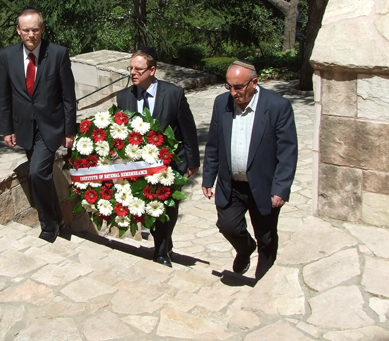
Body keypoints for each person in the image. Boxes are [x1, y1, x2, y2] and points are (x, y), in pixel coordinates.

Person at [201, 61, 298, 280]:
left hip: (263, 186)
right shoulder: (221, 104)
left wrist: (281, 188)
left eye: (239, 87)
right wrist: (209, 178)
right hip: (231, 184)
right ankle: (245, 249)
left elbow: (287, 152)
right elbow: (214, 144)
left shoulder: (277, 106)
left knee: (266, 238)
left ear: (254, 82)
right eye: (229, 87)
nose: (233, 93)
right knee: (228, 226)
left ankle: (263, 283)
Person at [0, 8, 77, 243]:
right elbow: (4, 96)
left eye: (35, 29)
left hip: (51, 127)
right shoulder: (7, 56)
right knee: (42, 175)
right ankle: (60, 221)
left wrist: (69, 130)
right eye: (26, 30)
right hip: (25, 128)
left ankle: (49, 225)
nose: (30, 34)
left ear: (42, 29)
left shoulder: (58, 54)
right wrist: (7, 129)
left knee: (36, 172)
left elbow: (67, 96)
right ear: (18, 31)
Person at [116, 47, 200, 267]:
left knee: (167, 206)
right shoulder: (123, 97)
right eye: (131, 68)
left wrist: (193, 161)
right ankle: (164, 243)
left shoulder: (173, 94)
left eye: (138, 69)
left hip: (170, 164)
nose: (133, 73)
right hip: (141, 165)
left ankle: (161, 251)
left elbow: (188, 130)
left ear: (152, 70)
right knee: (149, 204)